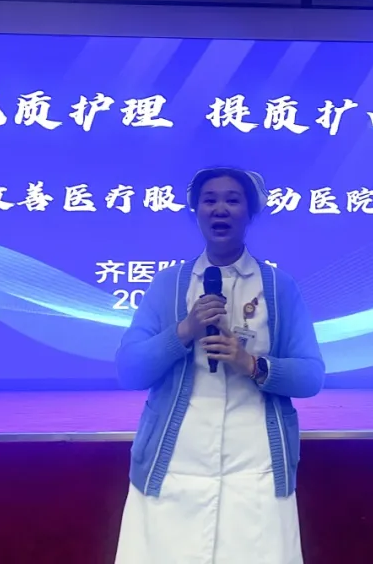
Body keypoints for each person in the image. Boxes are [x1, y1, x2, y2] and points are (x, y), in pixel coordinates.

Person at [114, 167, 325, 564]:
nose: (220, 209)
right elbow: (129, 370)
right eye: (209, 200)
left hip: (256, 467)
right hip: (174, 464)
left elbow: (311, 376)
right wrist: (184, 330)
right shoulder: (168, 284)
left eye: (232, 200)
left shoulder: (279, 287)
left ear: (250, 212)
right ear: (196, 211)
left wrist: (251, 363)